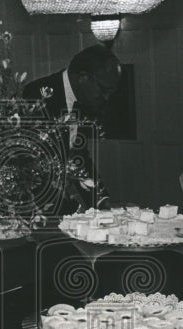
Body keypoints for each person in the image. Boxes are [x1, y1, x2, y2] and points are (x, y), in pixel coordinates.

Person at [22, 45, 122, 211]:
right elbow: (29, 162)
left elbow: (78, 156)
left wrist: (100, 200)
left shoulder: (85, 100)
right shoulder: (37, 94)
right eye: (103, 89)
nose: (106, 98)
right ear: (83, 77)